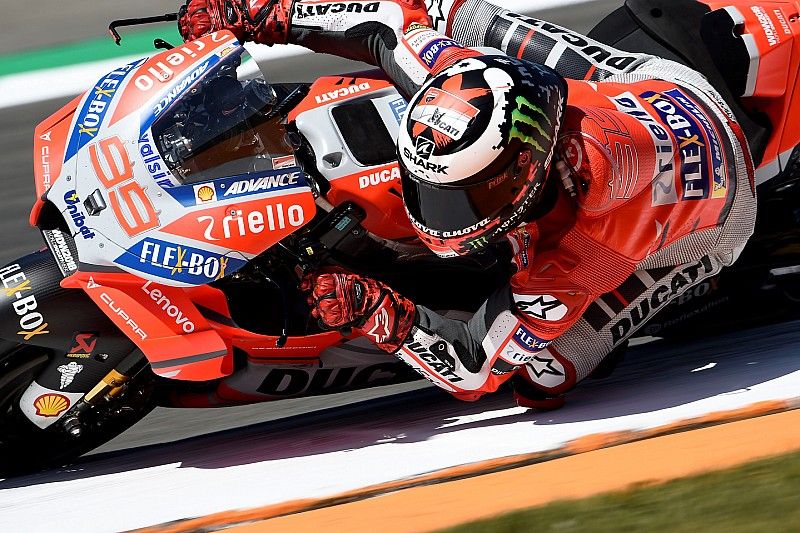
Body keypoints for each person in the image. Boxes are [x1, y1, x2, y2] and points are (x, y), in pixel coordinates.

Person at [178, 0, 755, 408]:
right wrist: (267, 13)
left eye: (464, 194)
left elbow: (475, 369)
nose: (439, 211)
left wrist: (381, 313)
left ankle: (704, 277)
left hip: (723, 212)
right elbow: (388, 21)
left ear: (524, 176)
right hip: (662, 88)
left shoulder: (578, 259)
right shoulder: (472, 81)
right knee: (452, 9)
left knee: (543, 379)